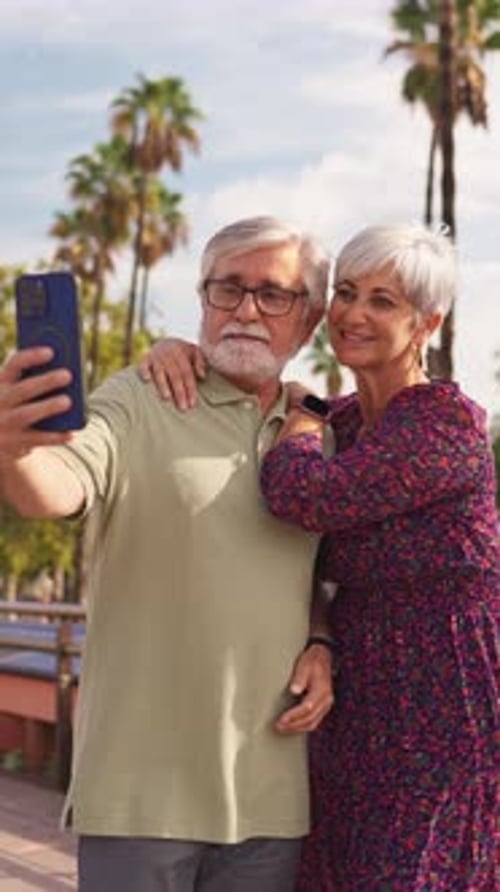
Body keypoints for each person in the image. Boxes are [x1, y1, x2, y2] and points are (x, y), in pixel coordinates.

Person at [142, 222, 499, 891]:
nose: (354, 313)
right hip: (354, 709)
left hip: (444, 714)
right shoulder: (345, 422)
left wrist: (303, 418)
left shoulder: (445, 424)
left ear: (427, 323)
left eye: (383, 301)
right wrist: (173, 351)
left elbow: (301, 493)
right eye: (347, 292)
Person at [0, 215, 336, 892]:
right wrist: (14, 449)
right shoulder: (138, 396)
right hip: (140, 797)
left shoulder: (324, 433)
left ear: (309, 322)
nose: (246, 310)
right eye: (227, 288)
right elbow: (55, 488)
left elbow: (329, 577)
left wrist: (323, 639)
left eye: (273, 294)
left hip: (273, 800)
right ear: (203, 299)